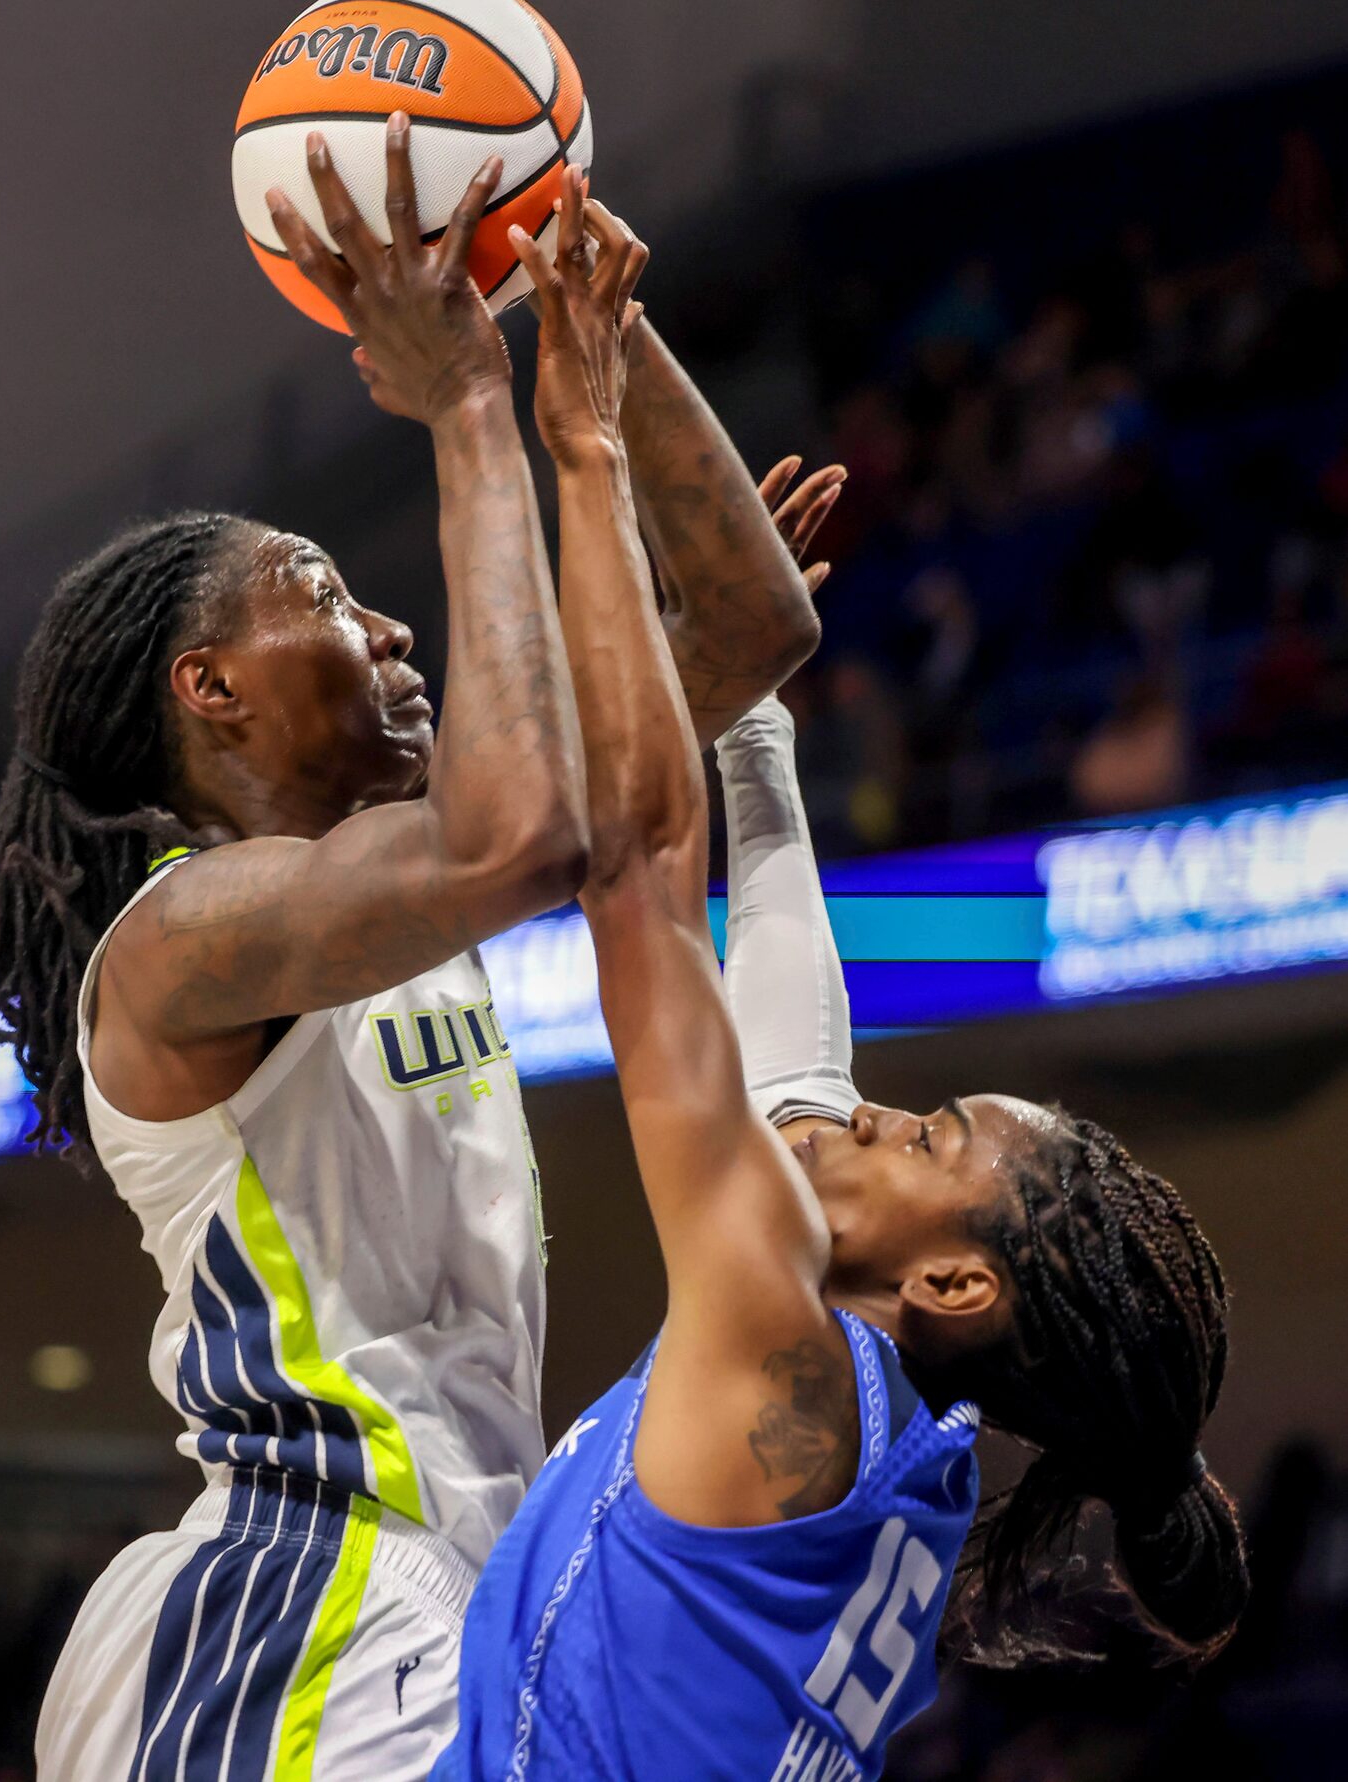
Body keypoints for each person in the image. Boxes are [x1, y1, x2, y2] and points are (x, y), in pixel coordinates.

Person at [0, 120, 824, 1781]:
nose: (393, 626)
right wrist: (468, 400)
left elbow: (753, 630)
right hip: (289, 1586)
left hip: (466, 1594)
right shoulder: (179, 938)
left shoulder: (420, 864)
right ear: (210, 689)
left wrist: (578, 303)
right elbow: (522, 835)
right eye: (326, 591)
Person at [439, 182, 1250, 1781]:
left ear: (951, 1282)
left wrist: (585, 446)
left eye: (923, 1133)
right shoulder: (891, 1408)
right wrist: (748, 732)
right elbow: (793, 1051)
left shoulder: (785, 1353)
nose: (864, 1112)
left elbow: (640, 893)